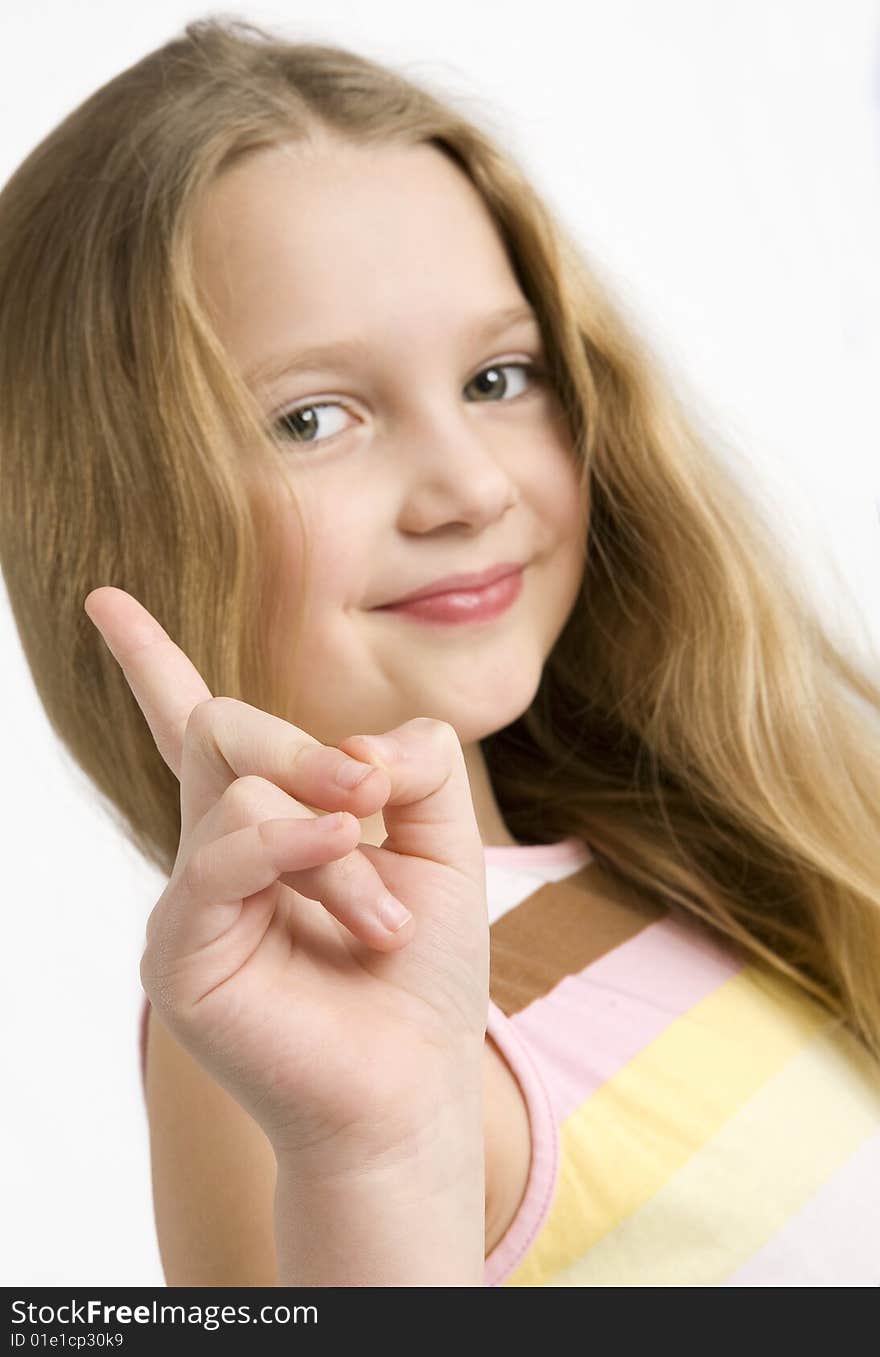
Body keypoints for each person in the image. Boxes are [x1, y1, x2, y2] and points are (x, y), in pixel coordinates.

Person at [1, 16, 879, 1288]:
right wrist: (370, 1167)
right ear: (114, 504)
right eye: (313, 416)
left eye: (497, 377)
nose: (467, 485)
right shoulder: (273, 1034)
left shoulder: (670, 850)